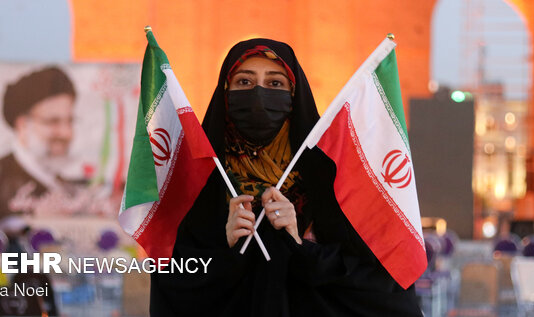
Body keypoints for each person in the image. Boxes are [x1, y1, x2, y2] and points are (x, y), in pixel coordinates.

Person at [149, 38, 422, 316]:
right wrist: (225, 247)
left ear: (294, 93)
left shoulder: (327, 172)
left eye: (275, 83)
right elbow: (171, 276)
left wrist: (301, 247)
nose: (258, 94)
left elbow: (378, 279)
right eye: (244, 82)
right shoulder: (202, 175)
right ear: (225, 91)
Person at [0, 66, 83, 221]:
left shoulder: (64, 183)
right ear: (22, 125)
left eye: (69, 121)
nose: (66, 133)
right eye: (53, 121)